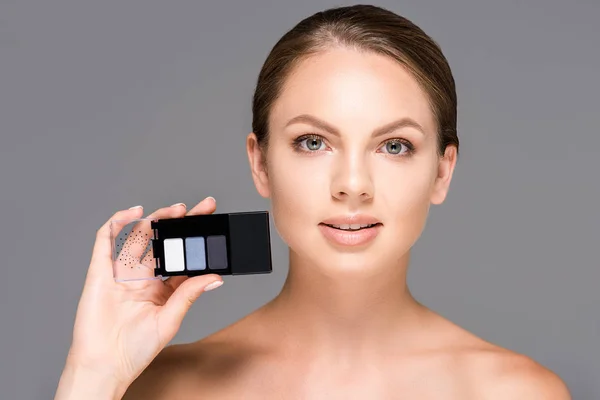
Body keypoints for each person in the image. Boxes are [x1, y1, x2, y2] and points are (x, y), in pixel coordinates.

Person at [54, 4, 571, 399]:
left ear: (442, 170)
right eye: (313, 142)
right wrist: (92, 374)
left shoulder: (516, 392)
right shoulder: (159, 389)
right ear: (261, 163)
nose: (352, 183)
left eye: (395, 146)